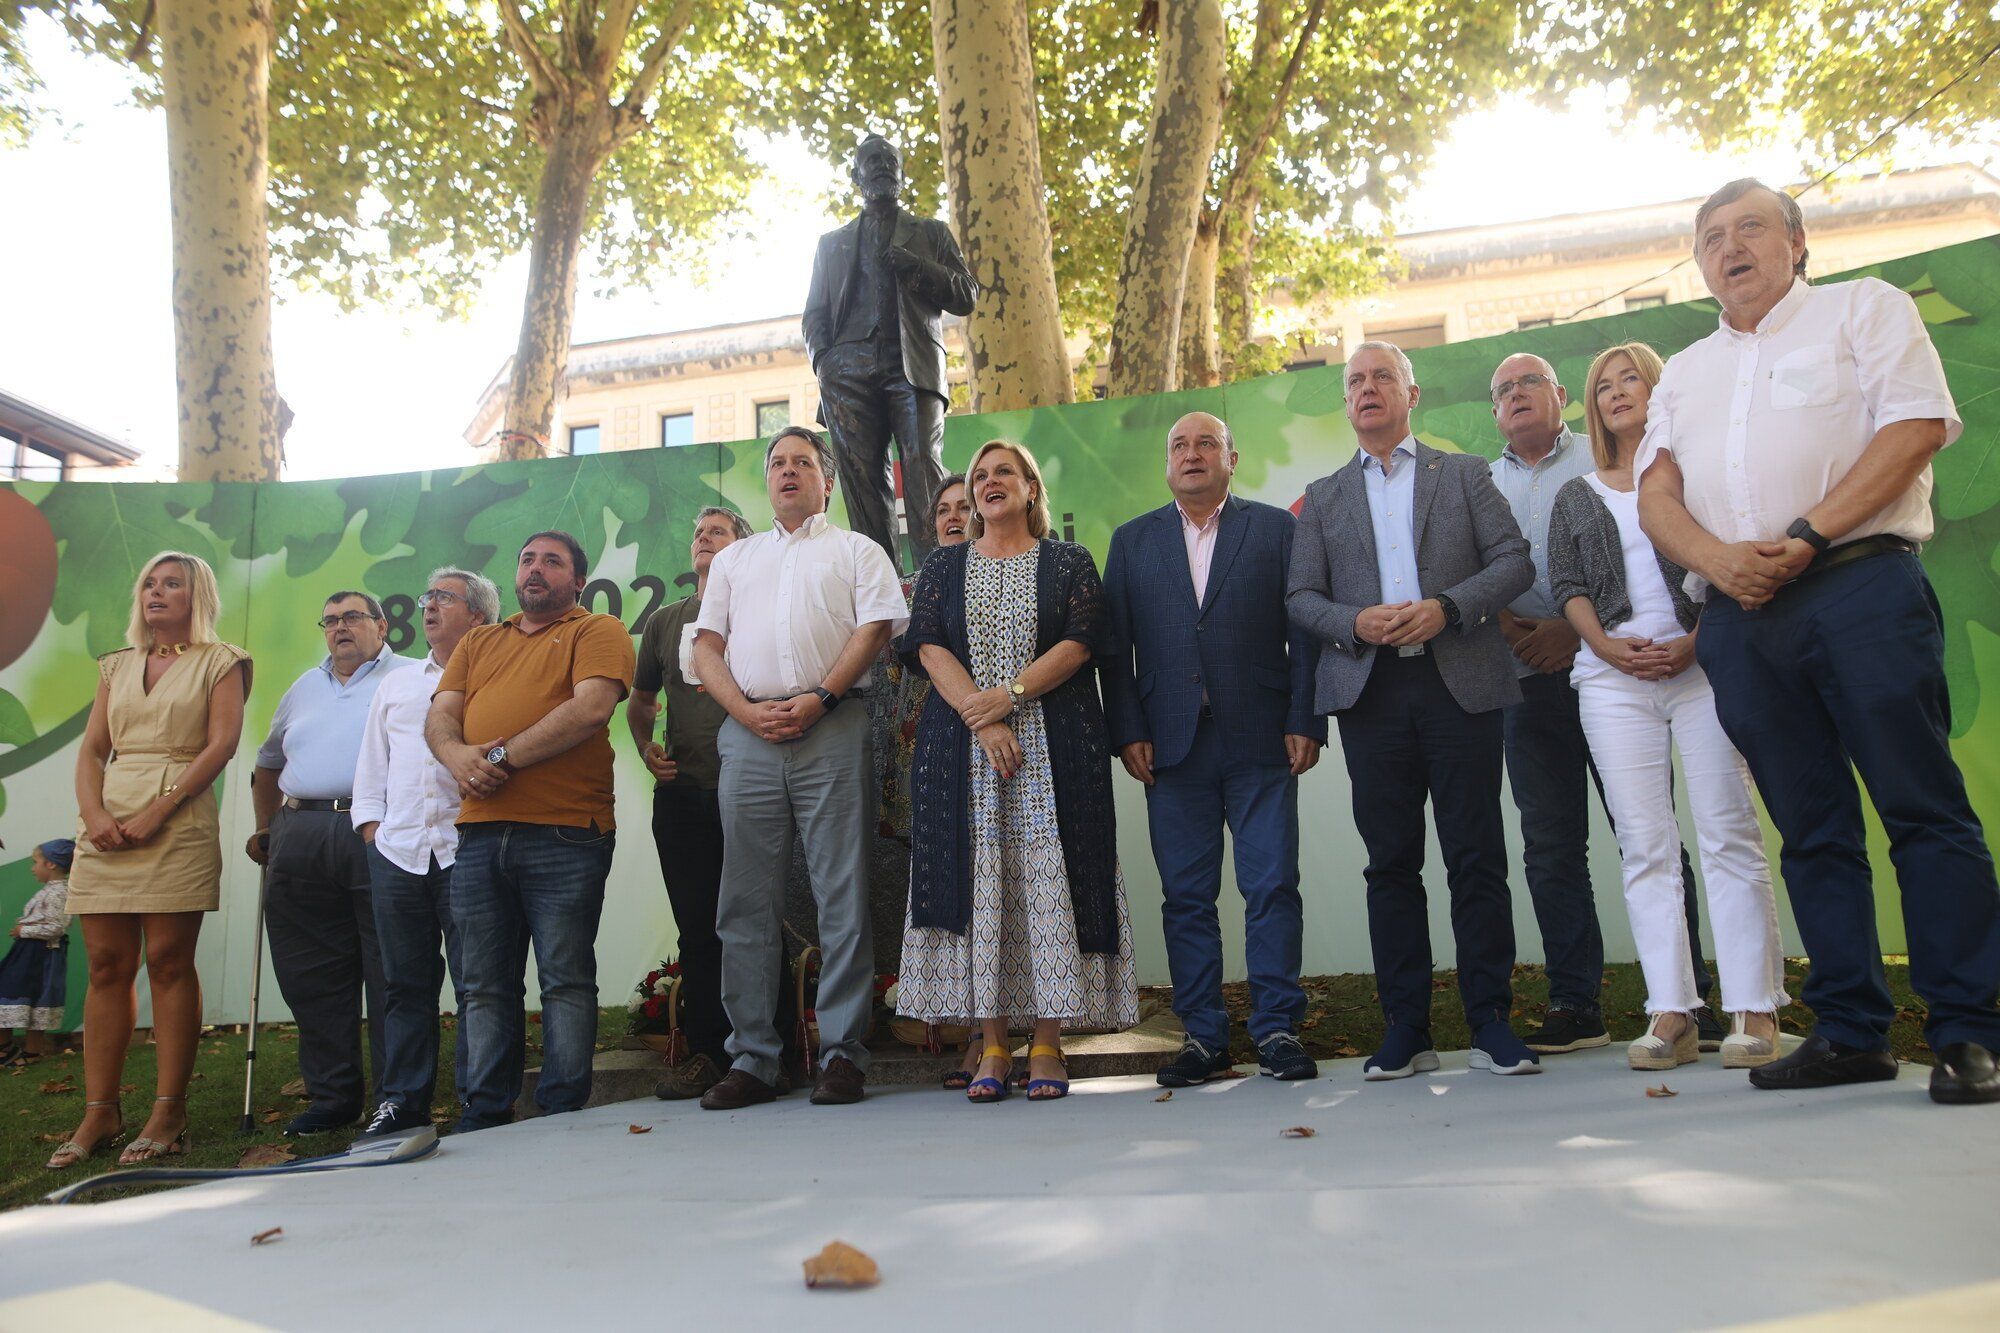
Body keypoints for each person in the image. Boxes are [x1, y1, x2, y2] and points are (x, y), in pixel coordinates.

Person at [1638, 178, 2000, 1104]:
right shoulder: (1683, 371)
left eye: (1751, 227)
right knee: (1810, 830)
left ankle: (1969, 1031)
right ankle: (1849, 1030)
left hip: (1861, 585)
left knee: (1922, 807)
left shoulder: (1863, 309)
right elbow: (1656, 495)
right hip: (1742, 618)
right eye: (1711, 237)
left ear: (1797, 241)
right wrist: (1720, 563)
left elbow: (1914, 428)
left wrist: (1805, 536)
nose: (1730, 247)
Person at [1287, 342, 1539, 1080]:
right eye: (1355, 381)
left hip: (1459, 683)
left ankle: (1491, 1022)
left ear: (1411, 393)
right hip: (1372, 696)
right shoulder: (1323, 495)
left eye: (1382, 377)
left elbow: (1514, 561)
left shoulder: (1462, 474)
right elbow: (1300, 596)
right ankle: (1407, 1028)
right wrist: (1353, 622)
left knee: (1476, 856)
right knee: (1390, 864)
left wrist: (1448, 608)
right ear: (1346, 402)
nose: (1367, 388)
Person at [1552, 342, 1786, 1071]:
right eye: (1604, 386)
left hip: (1703, 668)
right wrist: (1606, 647)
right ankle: (1672, 1011)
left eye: (1632, 379)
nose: (1617, 392)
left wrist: (1695, 641)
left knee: (1727, 831)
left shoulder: (1695, 476)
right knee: (1645, 845)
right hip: (1611, 683)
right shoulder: (1576, 494)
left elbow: (1725, 565)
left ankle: (1755, 1008)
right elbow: (1567, 586)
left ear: (1659, 392)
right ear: (1593, 409)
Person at [1487, 352, 1720, 1055]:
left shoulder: (1613, 458)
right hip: (1526, 679)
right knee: (1550, 843)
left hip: (1622, 666)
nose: (1516, 395)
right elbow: (1472, 572)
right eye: (1503, 389)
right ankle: (1574, 1002)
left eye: (1530, 382)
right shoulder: (1482, 482)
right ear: (1494, 410)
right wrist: (1521, 634)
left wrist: (1578, 632)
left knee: (1649, 833)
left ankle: (1692, 999)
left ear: (1562, 395)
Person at [898, 439, 1137, 1102]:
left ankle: (1049, 1043)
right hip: (964, 753)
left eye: (1004, 471)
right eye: (980, 474)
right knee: (979, 889)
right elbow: (927, 646)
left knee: (1048, 883)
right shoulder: (945, 565)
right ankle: (995, 1043)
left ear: (1032, 488)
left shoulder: (1067, 561)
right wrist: (984, 718)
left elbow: (1081, 641)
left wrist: (1011, 696)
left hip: (1053, 754)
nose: (989, 481)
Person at [1103, 412, 1325, 1086]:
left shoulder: (1276, 530)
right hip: (1171, 748)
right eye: (1179, 444)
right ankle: (1203, 1037)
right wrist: (1128, 730)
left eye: (1207, 443)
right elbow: (1114, 649)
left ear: (1233, 458)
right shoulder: (1133, 540)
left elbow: (1304, 633)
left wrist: (1306, 717)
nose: (1192, 453)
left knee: (1272, 886)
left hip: (1262, 737)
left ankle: (1277, 1028)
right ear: (1167, 462)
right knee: (1186, 898)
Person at [691, 426, 909, 1110]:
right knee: (744, 901)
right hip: (747, 735)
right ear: (768, 481)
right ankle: (755, 1058)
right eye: (778, 463)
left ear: (828, 481)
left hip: (833, 727)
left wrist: (821, 697)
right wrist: (744, 712)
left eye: (803, 463)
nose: (789, 472)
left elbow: (875, 628)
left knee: (842, 890)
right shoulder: (735, 560)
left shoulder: (857, 550)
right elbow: (706, 648)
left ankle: (843, 1054)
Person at [427, 531, 635, 1131]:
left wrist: (497, 759)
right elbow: (441, 715)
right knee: (482, 984)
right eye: (526, 559)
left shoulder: (597, 630)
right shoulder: (479, 641)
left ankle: (561, 1113)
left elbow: (590, 708)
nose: (535, 569)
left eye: (552, 561)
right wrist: (457, 757)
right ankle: (485, 1112)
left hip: (565, 832)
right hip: (480, 833)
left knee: (565, 978)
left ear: (578, 580)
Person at [50, 552, 250, 1169]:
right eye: (149, 584)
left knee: (167, 962)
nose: (156, 593)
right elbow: (92, 751)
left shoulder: (223, 661)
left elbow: (222, 745)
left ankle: (169, 1110)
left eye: (172, 584)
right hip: (107, 824)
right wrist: (94, 815)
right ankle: (100, 1112)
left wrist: (158, 811)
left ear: (198, 596)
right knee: (106, 966)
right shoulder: (115, 664)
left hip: (178, 820)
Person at [348, 567, 506, 1138]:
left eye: (444, 597)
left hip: (467, 850)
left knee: (477, 983)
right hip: (397, 853)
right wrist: (373, 831)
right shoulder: (398, 683)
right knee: (404, 984)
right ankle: (401, 1101)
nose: (429, 606)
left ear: (479, 615)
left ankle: (478, 1103)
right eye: (428, 596)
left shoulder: (498, 677)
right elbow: (372, 765)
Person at [250, 590, 407, 1136]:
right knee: (311, 973)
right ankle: (333, 1097)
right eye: (331, 620)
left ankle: (396, 1097)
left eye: (353, 617)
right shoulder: (304, 687)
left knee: (390, 970)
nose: (341, 627)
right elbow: (268, 763)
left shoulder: (410, 677)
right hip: (300, 831)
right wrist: (266, 828)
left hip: (379, 830)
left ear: (381, 626)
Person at [802, 133, 979, 567]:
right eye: (872, 160)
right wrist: (825, 364)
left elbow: (966, 294)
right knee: (861, 480)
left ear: (902, 173)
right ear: (856, 175)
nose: (882, 166)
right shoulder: (831, 244)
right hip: (847, 372)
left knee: (923, 467)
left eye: (890, 161)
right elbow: (815, 315)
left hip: (913, 365)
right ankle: (879, 585)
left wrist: (917, 267)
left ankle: (938, 578)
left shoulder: (930, 233)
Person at [630, 506, 754, 1102]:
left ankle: (768, 1050)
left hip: (752, 790)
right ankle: (708, 1054)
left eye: (718, 532)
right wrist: (643, 747)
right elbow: (641, 700)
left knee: (754, 924)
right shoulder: (665, 620)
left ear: (743, 548)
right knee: (698, 928)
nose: (704, 539)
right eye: (699, 533)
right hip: (682, 794)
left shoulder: (760, 612)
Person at [874, 476, 985, 1090]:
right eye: (942, 510)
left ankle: (997, 1034)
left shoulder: (1004, 574)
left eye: (963, 506)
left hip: (993, 745)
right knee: (948, 895)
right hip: (925, 755)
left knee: (998, 888)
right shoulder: (909, 590)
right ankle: (970, 1027)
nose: (951, 517)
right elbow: (895, 676)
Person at [0, 839, 74, 1063]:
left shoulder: (58, 892)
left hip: (42, 955)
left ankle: (29, 1051)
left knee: (36, 997)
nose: (33, 868)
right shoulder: (49, 891)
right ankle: (6, 1047)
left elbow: (57, 928)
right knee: (10, 991)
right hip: (28, 951)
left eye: (36, 862)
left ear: (51, 864)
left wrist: (24, 930)